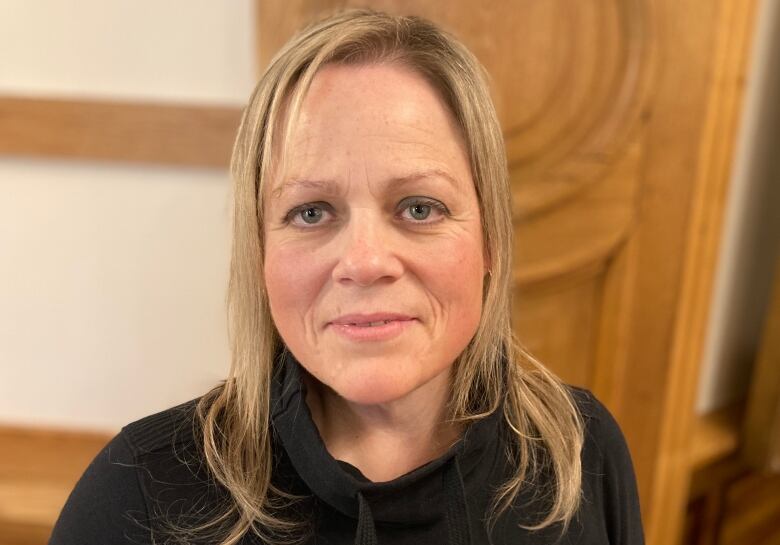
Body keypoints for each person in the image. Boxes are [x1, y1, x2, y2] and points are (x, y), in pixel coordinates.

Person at [49, 9, 644, 545]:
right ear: (259, 252)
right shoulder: (137, 496)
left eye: (419, 207)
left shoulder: (580, 449)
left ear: (489, 238)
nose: (364, 261)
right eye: (310, 212)